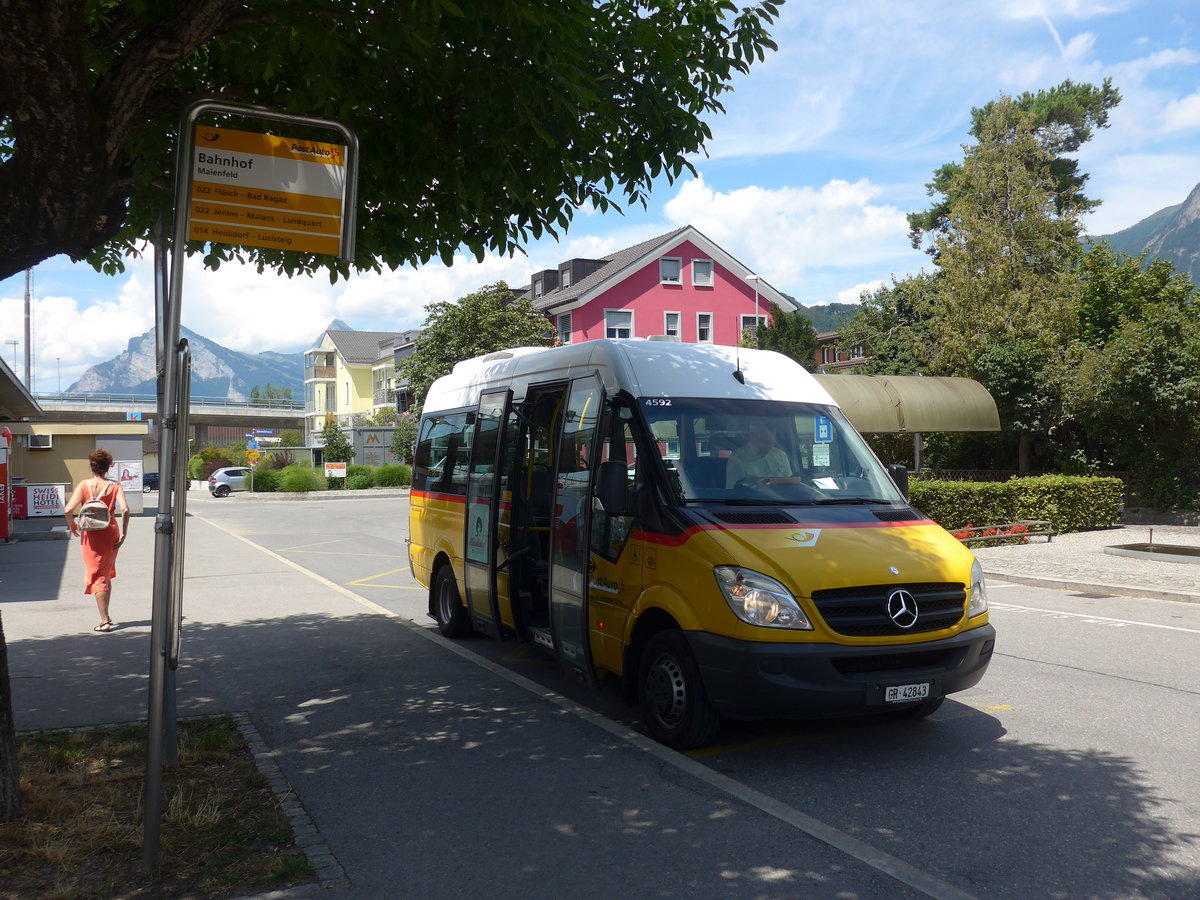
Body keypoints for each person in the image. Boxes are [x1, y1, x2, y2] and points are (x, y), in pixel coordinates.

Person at [63, 449, 130, 632]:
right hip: (110, 532)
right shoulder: (115, 486)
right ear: (108, 467)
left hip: (91, 535)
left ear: (92, 466)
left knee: (97, 574)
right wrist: (124, 532)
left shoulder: (84, 485)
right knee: (105, 572)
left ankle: (104, 620)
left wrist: (73, 524)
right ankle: (106, 614)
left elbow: (68, 509)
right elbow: (124, 509)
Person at [726, 422, 793, 487]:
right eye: (765, 442)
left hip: (780, 498)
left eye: (772, 442)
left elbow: (791, 485)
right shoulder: (737, 459)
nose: (769, 446)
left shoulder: (781, 455)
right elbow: (732, 491)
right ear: (753, 437)